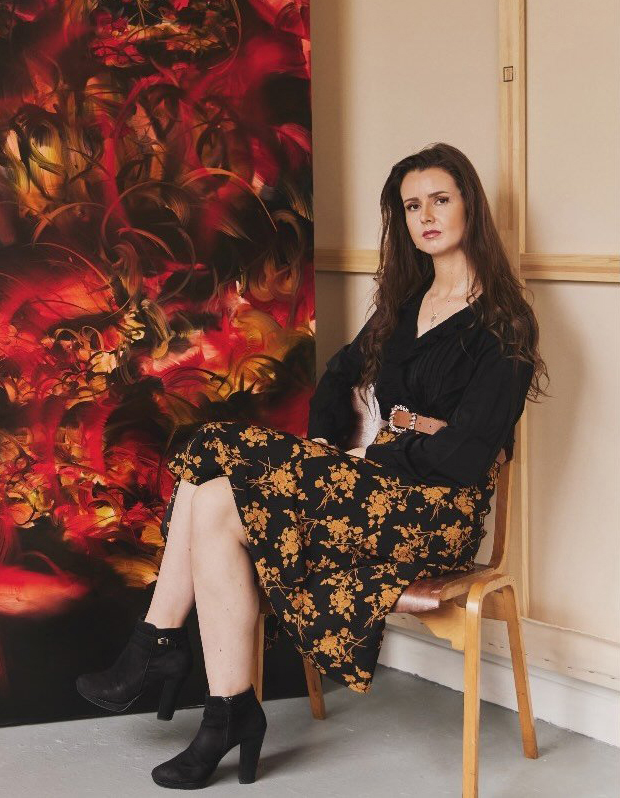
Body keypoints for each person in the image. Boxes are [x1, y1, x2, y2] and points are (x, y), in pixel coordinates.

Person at [75, 142, 549, 789]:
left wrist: (378, 450)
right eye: (412, 206)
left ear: (470, 206)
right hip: (370, 490)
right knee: (213, 496)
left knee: (211, 445)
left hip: (434, 516)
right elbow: (338, 376)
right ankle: (228, 711)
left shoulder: (504, 324)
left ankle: (159, 643)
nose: (426, 216)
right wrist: (330, 450)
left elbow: (465, 458)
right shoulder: (407, 305)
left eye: (440, 199)